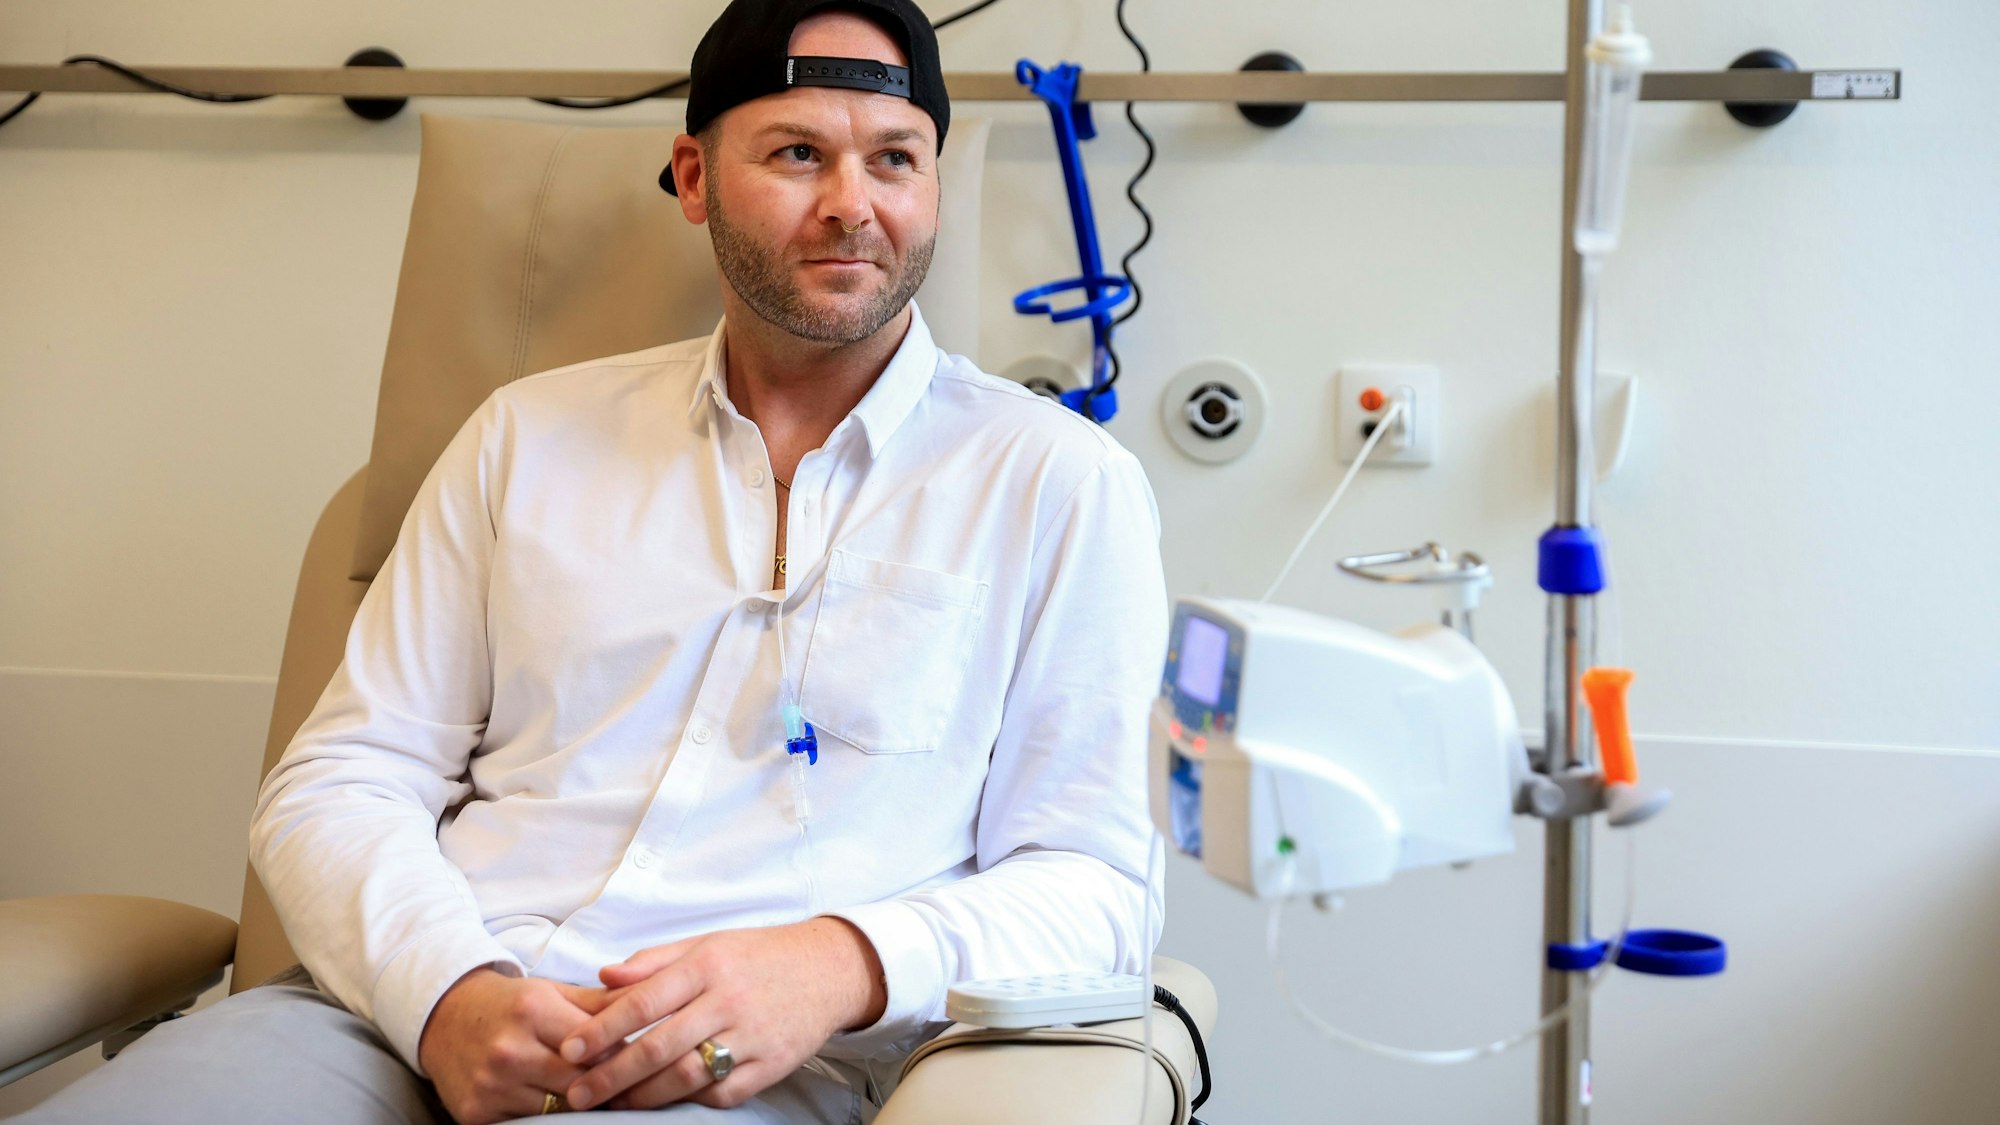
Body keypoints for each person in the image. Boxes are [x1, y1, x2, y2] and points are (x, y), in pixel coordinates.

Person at [18, 1, 1166, 1122]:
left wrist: (836, 964)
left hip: (749, 1072)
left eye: (895, 160)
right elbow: (339, 785)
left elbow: (1094, 886)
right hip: (387, 1028)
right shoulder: (525, 437)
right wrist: (448, 998)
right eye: (797, 153)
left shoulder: (1055, 485)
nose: (851, 206)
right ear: (695, 177)